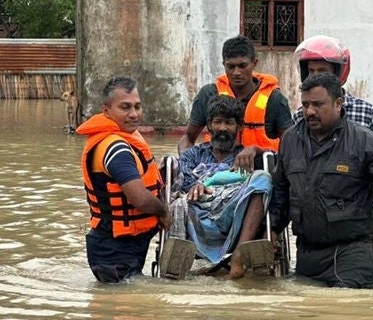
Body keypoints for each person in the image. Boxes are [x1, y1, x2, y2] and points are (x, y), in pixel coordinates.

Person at [268, 72, 373, 289]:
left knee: (348, 312)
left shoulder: (365, 142)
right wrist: (271, 232)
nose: (310, 111)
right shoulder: (291, 140)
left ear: (338, 103)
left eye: (318, 104)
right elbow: (281, 193)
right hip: (307, 254)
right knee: (309, 317)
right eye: (305, 105)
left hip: (352, 253)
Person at [76, 76, 173, 283]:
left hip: (122, 245)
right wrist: (164, 211)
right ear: (106, 111)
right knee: (125, 312)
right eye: (125, 107)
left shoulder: (123, 139)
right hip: (114, 250)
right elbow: (140, 198)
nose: (134, 114)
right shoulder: (116, 148)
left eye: (138, 107)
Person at [175, 95, 273, 280]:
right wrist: (195, 185)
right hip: (198, 216)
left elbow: (280, 161)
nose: (222, 128)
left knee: (263, 177)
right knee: (176, 201)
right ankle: (177, 258)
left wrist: (256, 149)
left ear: (240, 126)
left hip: (233, 215)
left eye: (228, 123)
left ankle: (239, 253)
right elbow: (181, 179)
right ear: (209, 125)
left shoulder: (248, 156)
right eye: (217, 122)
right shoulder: (193, 155)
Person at [177, 35, 293, 170]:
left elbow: (291, 146)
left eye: (242, 66)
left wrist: (258, 151)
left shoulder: (275, 100)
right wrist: (185, 165)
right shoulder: (208, 94)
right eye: (230, 67)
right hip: (212, 176)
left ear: (254, 63)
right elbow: (188, 137)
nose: (236, 72)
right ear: (223, 65)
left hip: (260, 174)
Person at [291, 34, 373, 142]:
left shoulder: (367, 113)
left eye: (322, 71)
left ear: (339, 73)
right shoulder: (300, 115)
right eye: (311, 71)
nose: (315, 77)